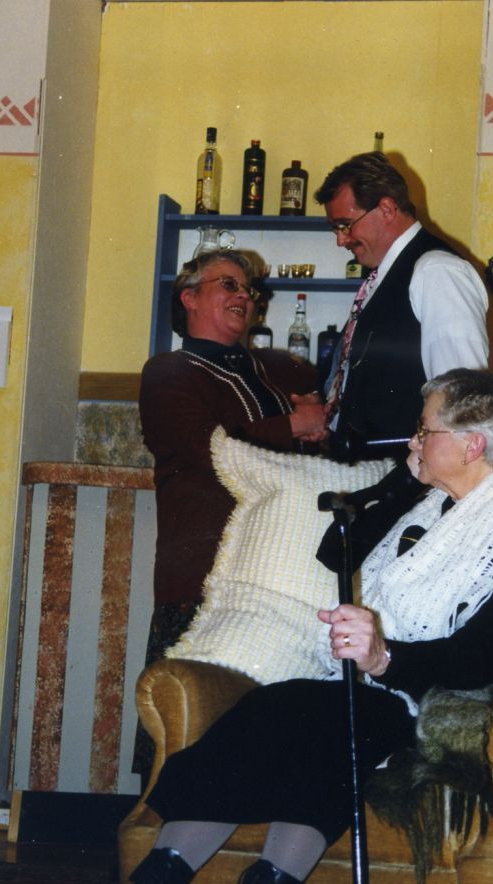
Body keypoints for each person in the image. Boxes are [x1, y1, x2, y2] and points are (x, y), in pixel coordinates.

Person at [64, 369, 493, 884]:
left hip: (438, 707)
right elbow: (336, 551)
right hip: (372, 691)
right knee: (284, 715)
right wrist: (403, 482)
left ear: (472, 445)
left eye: (425, 430)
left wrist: (385, 659)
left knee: (309, 719)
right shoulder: (436, 505)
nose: (414, 440)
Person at [133, 250, 326, 779]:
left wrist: (316, 426)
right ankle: (160, 826)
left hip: (278, 573)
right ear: (189, 297)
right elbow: (206, 447)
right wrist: (296, 425)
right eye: (229, 285)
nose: (244, 296)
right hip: (203, 574)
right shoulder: (167, 372)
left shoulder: (275, 369)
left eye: (249, 289)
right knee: (186, 729)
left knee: (263, 740)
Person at [309, 152, 489, 461]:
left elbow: (462, 403)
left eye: (345, 225)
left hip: (406, 477)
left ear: (387, 209)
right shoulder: (384, 276)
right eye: (335, 228)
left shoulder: (437, 271)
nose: (340, 240)